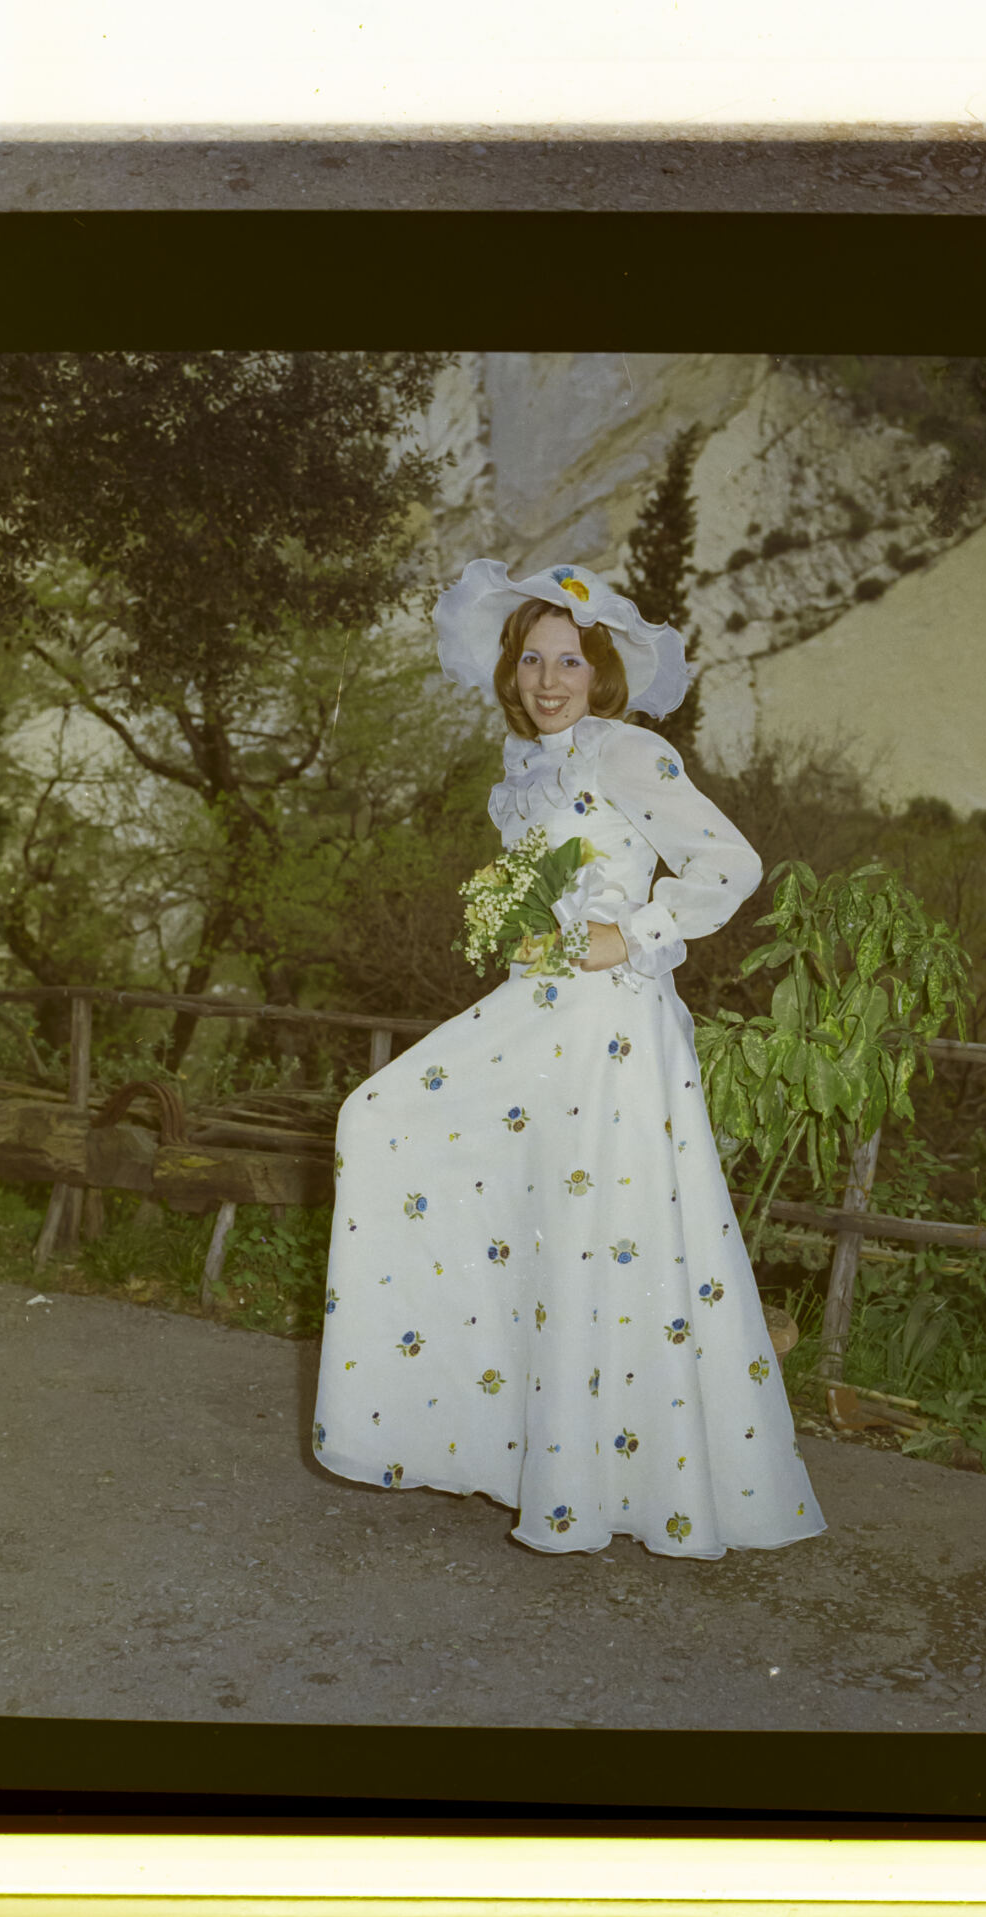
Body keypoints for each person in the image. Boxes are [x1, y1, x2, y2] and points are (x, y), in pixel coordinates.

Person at [311, 559, 826, 1559]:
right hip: (537, 1009)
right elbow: (538, 890)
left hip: (610, 1026)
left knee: (604, 1232)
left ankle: (600, 1482)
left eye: (570, 661)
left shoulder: (626, 751)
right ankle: (500, 1446)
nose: (549, 680)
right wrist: (514, 923)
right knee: (389, 1124)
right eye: (533, 660)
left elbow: (731, 863)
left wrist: (629, 935)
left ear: (602, 673)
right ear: (510, 671)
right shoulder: (521, 773)